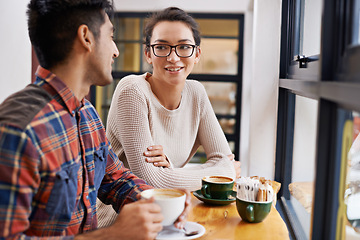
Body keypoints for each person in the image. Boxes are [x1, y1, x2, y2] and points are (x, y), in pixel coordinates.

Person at [0, 1, 190, 239]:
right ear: (86, 37)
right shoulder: (19, 129)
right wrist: (112, 235)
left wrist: (163, 202)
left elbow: (116, 180)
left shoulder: (86, 114)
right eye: (111, 36)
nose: (116, 51)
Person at [97, 6, 241, 226]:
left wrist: (171, 171)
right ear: (148, 53)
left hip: (168, 219)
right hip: (120, 224)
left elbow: (223, 160)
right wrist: (222, 172)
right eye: (162, 47)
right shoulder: (132, 91)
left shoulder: (196, 93)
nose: (173, 57)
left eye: (184, 47)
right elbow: (150, 181)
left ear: (197, 53)